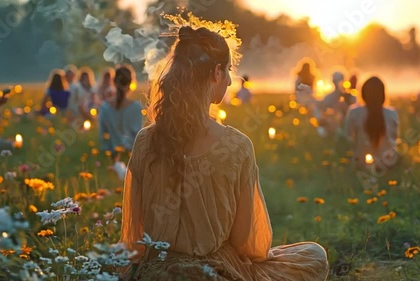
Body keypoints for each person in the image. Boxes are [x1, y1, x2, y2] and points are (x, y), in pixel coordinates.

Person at [119, 25, 328, 281]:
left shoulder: (145, 140)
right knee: (313, 255)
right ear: (216, 72)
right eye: (228, 71)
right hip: (214, 272)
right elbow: (249, 246)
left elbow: (133, 240)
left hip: (157, 272)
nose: (230, 80)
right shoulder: (237, 146)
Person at [345, 76, 399, 169]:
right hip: (387, 165)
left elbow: (348, 137)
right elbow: (395, 139)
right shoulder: (391, 114)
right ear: (383, 94)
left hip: (361, 165)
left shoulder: (354, 112)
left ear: (363, 94)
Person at [98, 64, 142, 153]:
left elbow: (103, 134)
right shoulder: (136, 107)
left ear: (114, 82)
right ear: (131, 83)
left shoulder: (104, 106)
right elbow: (138, 136)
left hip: (109, 151)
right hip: (130, 151)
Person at [316, 71, 356, 137]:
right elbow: (322, 113)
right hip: (333, 127)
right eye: (336, 81)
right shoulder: (329, 97)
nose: (338, 84)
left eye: (339, 81)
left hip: (346, 126)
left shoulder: (351, 97)